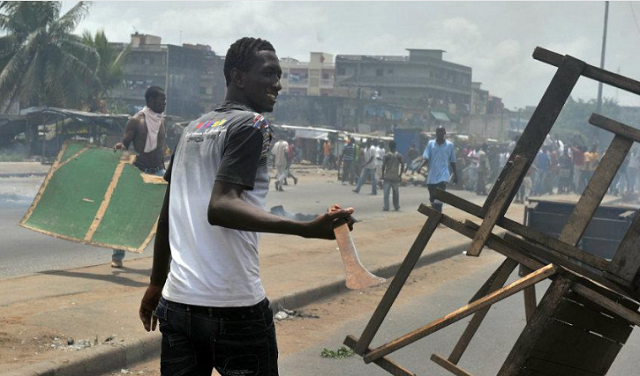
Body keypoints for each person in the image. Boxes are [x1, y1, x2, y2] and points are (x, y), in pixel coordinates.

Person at [137, 37, 355, 376]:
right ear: (238, 77)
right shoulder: (252, 125)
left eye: (279, 75)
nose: (278, 84)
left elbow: (168, 212)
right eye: (268, 73)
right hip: (234, 309)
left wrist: (156, 282)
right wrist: (306, 230)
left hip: (178, 305)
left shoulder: (192, 130)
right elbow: (221, 206)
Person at [112, 86, 167, 268]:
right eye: (161, 100)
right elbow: (125, 142)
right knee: (126, 214)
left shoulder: (161, 121)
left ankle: (168, 261)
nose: (164, 104)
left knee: (166, 217)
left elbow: (160, 149)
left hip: (159, 172)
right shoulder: (135, 121)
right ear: (150, 100)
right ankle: (117, 255)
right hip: (139, 172)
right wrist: (120, 145)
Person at [419, 126, 458, 212]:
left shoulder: (450, 145)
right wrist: (421, 165)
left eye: (442, 131)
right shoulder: (430, 144)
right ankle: (435, 216)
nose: (440, 133)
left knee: (439, 196)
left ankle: (437, 216)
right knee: (432, 199)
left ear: (445, 133)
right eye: (438, 131)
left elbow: (453, 161)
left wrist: (455, 175)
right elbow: (426, 157)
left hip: (443, 176)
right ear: (436, 133)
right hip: (432, 176)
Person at [382, 140, 404, 211]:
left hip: (388, 177)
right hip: (395, 177)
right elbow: (403, 165)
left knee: (386, 193)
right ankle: (396, 206)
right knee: (396, 193)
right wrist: (400, 175)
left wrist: (382, 174)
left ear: (389, 146)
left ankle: (386, 207)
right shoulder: (399, 155)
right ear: (395, 146)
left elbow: (383, 165)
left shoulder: (387, 155)